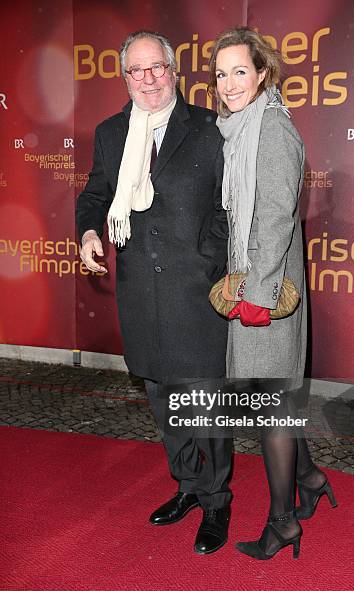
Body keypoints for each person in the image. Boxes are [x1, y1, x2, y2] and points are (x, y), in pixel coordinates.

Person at [77, 30, 233, 555]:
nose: (147, 80)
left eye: (156, 68)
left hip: (197, 291)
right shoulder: (110, 132)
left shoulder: (213, 128)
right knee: (164, 402)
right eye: (135, 71)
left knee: (204, 404)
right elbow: (96, 191)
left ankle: (217, 501)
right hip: (141, 290)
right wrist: (90, 230)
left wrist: (209, 257)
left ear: (174, 70)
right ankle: (188, 486)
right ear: (124, 78)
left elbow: (232, 205)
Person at [208, 26, 337, 560]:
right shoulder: (238, 129)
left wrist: (257, 295)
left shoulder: (274, 130)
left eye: (240, 71)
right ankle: (307, 479)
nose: (229, 83)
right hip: (254, 281)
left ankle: (283, 522)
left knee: (270, 410)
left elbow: (279, 217)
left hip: (268, 291)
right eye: (220, 73)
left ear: (263, 74)